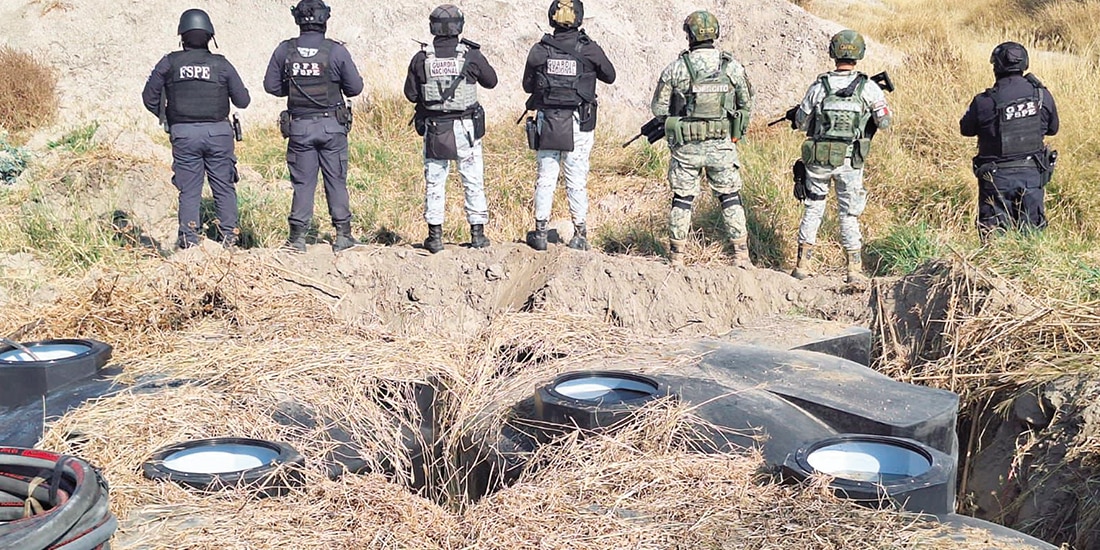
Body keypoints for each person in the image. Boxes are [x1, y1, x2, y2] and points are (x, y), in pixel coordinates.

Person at [650, 10, 754, 268]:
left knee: (682, 200)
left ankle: (676, 257)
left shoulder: (676, 69)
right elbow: (746, 103)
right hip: (721, 146)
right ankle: (741, 256)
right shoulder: (732, 67)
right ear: (715, 34)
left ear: (689, 35)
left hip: (686, 147)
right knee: (730, 197)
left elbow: (659, 109)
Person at [142, 9, 250, 249]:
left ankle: (190, 243)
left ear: (182, 36)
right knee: (223, 187)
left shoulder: (170, 62)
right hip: (218, 135)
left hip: (184, 135)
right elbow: (243, 100)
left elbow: (149, 96)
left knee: (189, 190)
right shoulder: (221, 64)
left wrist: (167, 116)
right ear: (210, 37)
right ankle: (229, 240)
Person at [790, 29, 891, 285]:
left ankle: (803, 264)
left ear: (833, 53)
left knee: (814, 206)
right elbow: (885, 121)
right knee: (849, 214)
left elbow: (801, 122)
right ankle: (853, 269)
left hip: (819, 160)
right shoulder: (868, 88)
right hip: (850, 160)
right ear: (860, 53)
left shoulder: (819, 86)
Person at [264, 0, 364, 253]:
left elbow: (271, 87)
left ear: (297, 19)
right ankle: (343, 236)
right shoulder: (336, 51)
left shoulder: (284, 50)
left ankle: (297, 239)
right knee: (336, 180)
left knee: (303, 184)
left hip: (300, 127)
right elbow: (355, 88)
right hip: (332, 126)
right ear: (325, 19)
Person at [522, 0, 615, 252]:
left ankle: (540, 233)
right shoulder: (589, 49)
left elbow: (528, 87)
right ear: (580, 19)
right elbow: (610, 75)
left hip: (549, 121)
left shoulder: (540, 50)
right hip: (580, 122)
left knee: (546, 178)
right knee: (576, 180)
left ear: (552, 18)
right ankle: (580, 234)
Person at [404, 4, 498, 253]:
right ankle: (477, 235)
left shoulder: (422, 58)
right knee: (473, 180)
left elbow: (411, 94)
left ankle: (435, 237)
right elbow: (492, 81)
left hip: (436, 129)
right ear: (460, 26)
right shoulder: (471, 55)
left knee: (435, 182)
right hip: (466, 128)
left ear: (432, 27)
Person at [960, 41, 1058, 242]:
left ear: (996, 66)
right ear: (1025, 64)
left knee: (994, 243)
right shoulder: (1041, 96)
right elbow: (1053, 129)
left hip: (996, 178)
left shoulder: (984, 101)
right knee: (1032, 240)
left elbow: (966, 129)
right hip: (1031, 176)